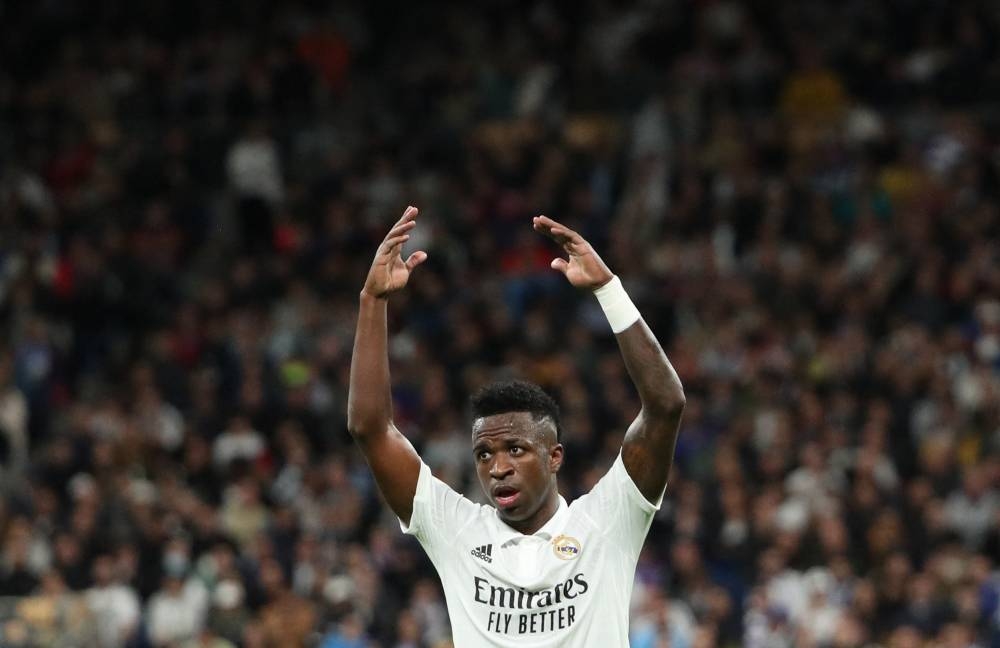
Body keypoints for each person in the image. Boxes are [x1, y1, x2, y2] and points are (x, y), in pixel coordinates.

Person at [348, 206, 685, 646]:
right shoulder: (457, 532)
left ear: (554, 456)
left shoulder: (606, 521)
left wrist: (608, 290)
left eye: (516, 449)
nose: (497, 467)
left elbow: (665, 406)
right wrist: (372, 302)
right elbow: (370, 428)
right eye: (484, 454)